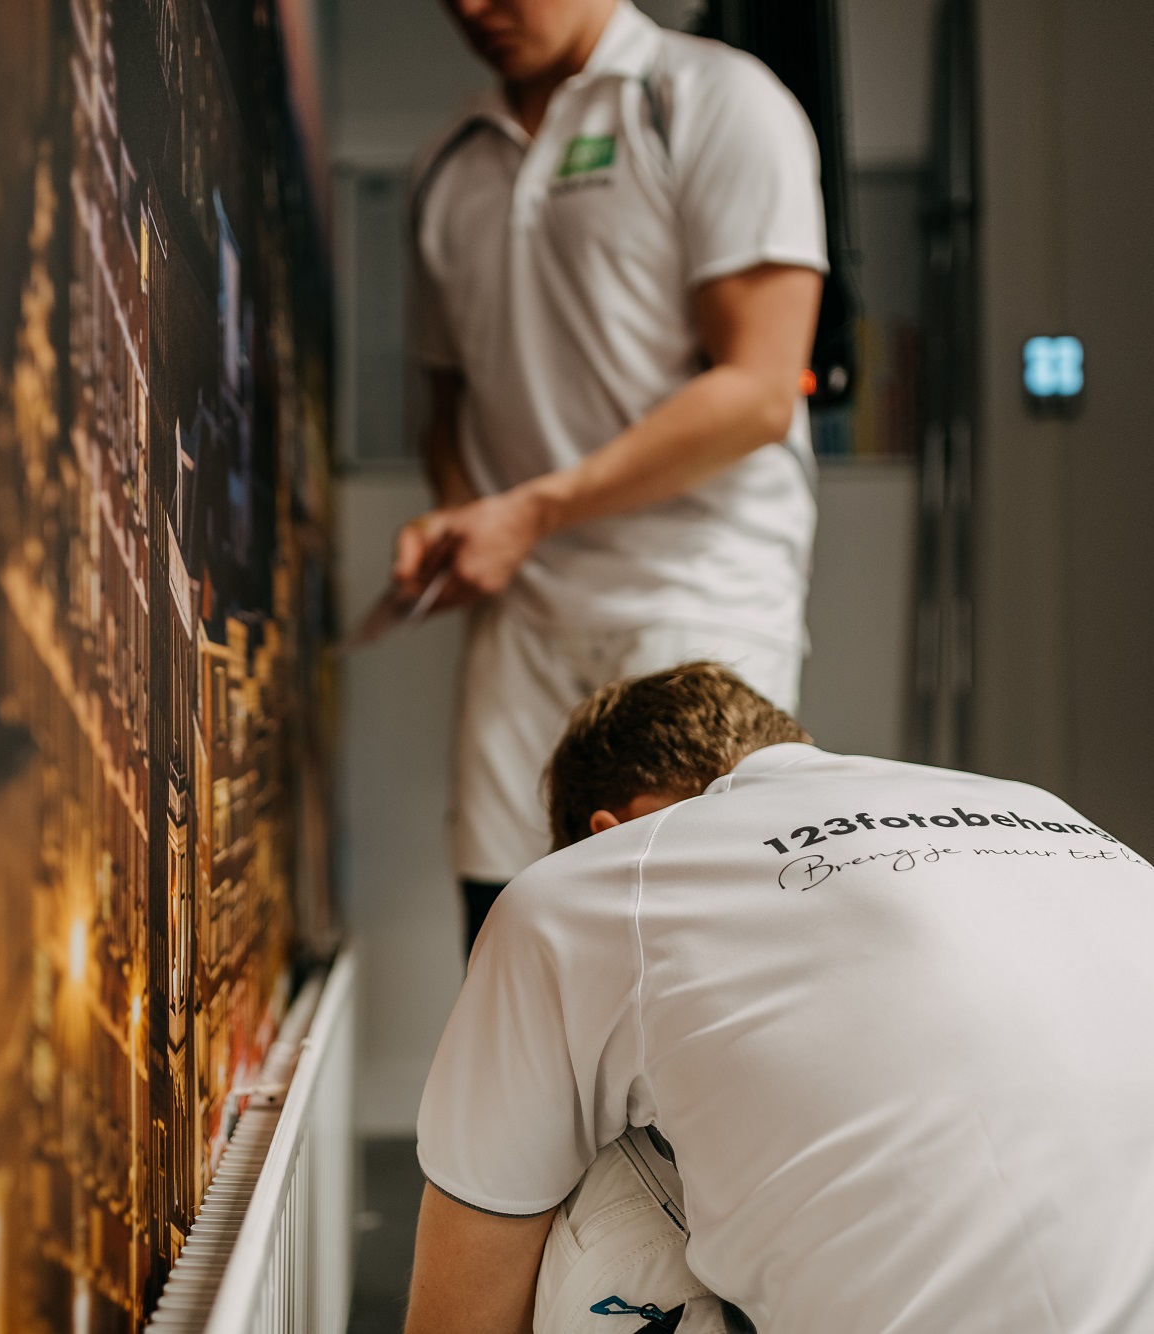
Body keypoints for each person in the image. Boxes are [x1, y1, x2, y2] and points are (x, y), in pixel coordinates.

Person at [406, 662, 1154, 1334]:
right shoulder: (1047, 812)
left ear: (607, 831)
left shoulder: (589, 885)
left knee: (592, 1151)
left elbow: (457, 1316)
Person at [395, 0, 829, 954]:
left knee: (692, 943)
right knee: (509, 919)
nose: (474, 7)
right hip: (527, 611)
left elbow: (759, 388)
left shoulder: (713, 101)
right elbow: (450, 403)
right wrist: (464, 515)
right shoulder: (443, 164)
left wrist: (533, 508)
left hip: (695, 591)